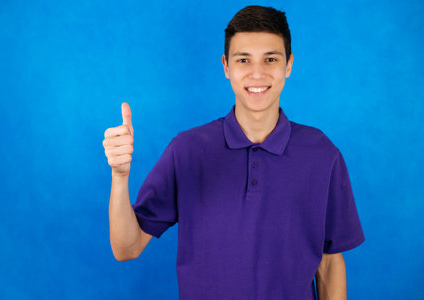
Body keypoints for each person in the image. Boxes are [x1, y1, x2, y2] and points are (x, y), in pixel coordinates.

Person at [102, 5, 365, 300]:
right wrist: (120, 176)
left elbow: (329, 264)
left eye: (270, 59)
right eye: (243, 60)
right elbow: (127, 248)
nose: (257, 73)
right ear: (226, 66)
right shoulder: (187, 150)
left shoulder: (322, 154)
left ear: (288, 65)